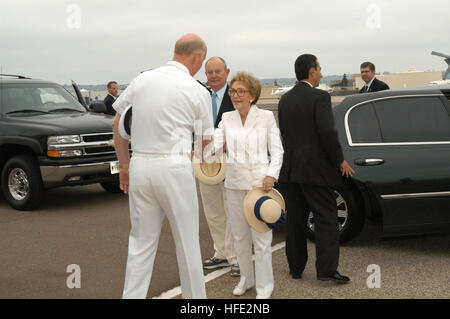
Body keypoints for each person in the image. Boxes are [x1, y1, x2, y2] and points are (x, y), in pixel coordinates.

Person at [112, 33, 212, 299]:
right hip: (174, 166)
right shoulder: (197, 90)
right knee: (187, 244)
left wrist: (124, 166)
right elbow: (206, 142)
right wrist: (200, 155)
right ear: (198, 56)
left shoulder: (142, 80)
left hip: (140, 164)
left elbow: (118, 125)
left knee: (141, 244)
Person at [278, 54, 354, 284]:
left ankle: (296, 268)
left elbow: (286, 134)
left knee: (295, 220)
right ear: (311, 71)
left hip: (290, 168)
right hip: (315, 169)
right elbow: (327, 132)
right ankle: (327, 271)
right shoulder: (320, 97)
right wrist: (339, 159)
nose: (321, 73)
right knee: (326, 218)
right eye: (319, 69)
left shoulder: (285, 100)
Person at [214, 72, 284, 299]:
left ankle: (265, 286)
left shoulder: (265, 117)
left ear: (252, 95)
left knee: (261, 239)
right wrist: (203, 147)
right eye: (233, 91)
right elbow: (214, 144)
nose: (235, 96)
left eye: (240, 91)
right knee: (240, 238)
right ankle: (247, 279)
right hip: (234, 185)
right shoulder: (226, 118)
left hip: (259, 187)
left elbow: (278, 150)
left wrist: (271, 175)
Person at [200, 56, 239, 276]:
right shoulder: (202, 98)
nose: (214, 76)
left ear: (227, 72)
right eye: (210, 72)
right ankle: (221, 253)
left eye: (218, 71)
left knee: (232, 211)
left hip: (231, 163)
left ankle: (235, 258)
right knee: (213, 211)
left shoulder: (237, 96)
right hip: (206, 164)